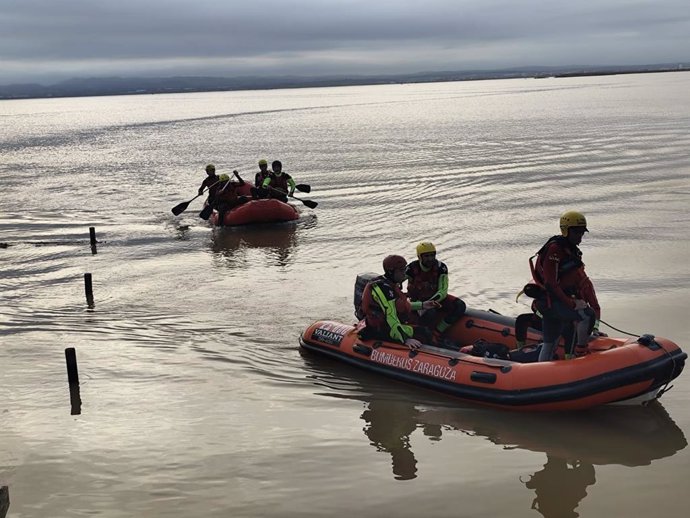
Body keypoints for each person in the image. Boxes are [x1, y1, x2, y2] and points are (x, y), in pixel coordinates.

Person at [528, 211, 604, 362]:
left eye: (582, 232)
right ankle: (581, 352)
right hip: (551, 302)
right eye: (576, 232)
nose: (580, 236)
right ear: (566, 230)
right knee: (586, 315)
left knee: (550, 344)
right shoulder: (555, 250)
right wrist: (571, 303)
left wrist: (595, 329)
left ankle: (542, 374)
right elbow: (551, 283)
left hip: (553, 303)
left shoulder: (569, 249)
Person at [359, 255, 439, 350]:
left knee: (425, 321)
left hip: (393, 324)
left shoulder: (390, 284)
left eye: (404, 269)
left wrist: (422, 305)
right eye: (401, 271)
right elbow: (390, 316)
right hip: (382, 328)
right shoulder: (382, 288)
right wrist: (405, 339)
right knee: (424, 332)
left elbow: (401, 305)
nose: (404, 273)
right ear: (391, 271)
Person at [405, 242, 466, 346]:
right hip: (418, 300)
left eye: (432, 255)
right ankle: (423, 334)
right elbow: (398, 282)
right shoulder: (411, 268)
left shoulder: (441, 268)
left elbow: (443, 291)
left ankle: (437, 332)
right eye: (426, 256)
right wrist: (420, 305)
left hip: (437, 298)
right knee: (430, 312)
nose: (430, 259)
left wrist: (431, 302)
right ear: (419, 257)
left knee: (460, 306)